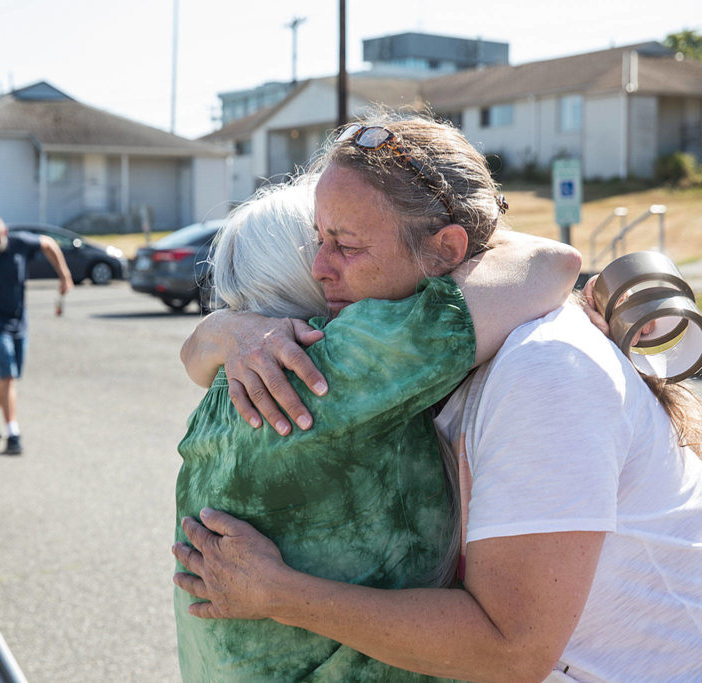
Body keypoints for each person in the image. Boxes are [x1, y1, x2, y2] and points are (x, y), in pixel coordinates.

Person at [173, 115, 702, 681]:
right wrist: (233, 328)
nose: (319, 268)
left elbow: (512, 648)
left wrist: (280, 593)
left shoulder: (545, 369)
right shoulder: (420, 360)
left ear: (447, 249)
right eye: (318, 240)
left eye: (346, 246)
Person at [0, 214, 73, 454]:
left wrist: (64, 275)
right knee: (8, 376)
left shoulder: (19, 243)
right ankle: (13, 433)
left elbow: (49, 244)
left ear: (2, 235)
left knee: (8, 376)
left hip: (18, 322)